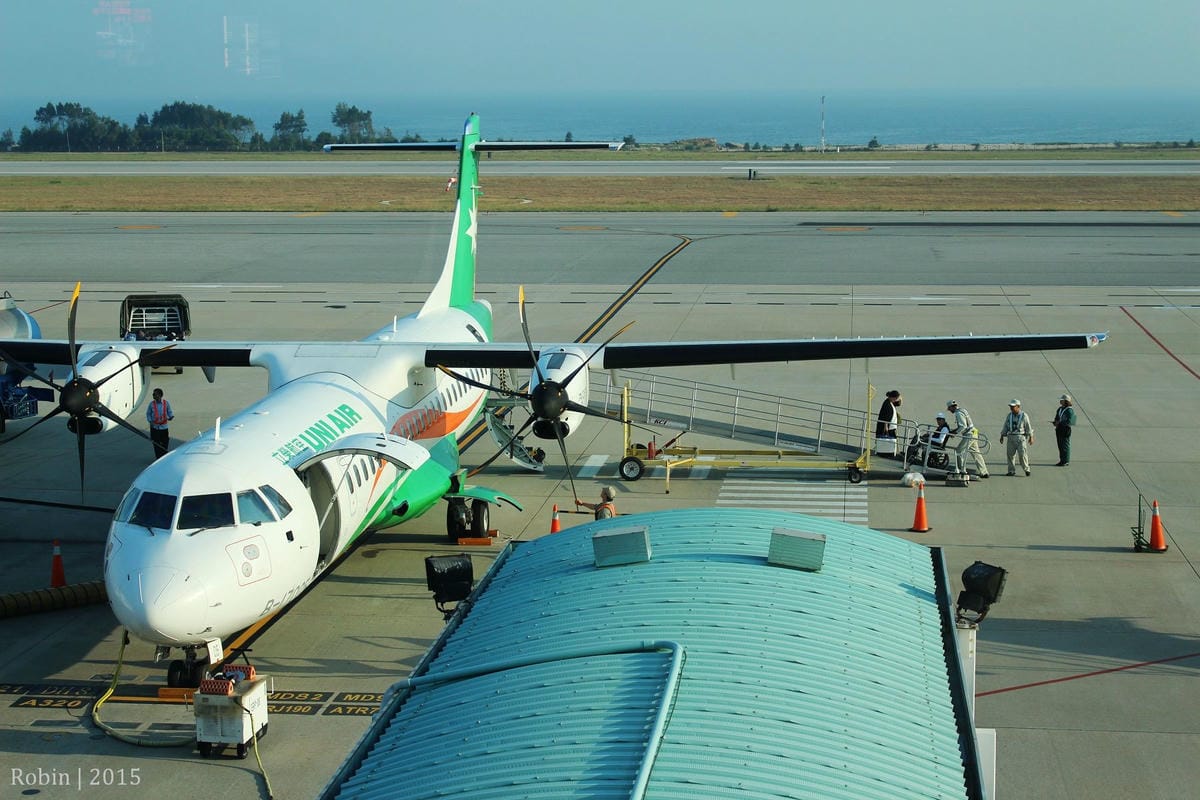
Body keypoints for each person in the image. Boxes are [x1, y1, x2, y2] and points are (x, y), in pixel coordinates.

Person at [945, 400, 990, 479]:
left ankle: (961, 470)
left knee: (959, 451)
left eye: (949, 409)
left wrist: (954, 433)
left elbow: (963, 426)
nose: (949, 411)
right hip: (974, 433)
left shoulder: (958, 413)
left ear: (952, 407)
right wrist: (954, 430)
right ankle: (984, 472)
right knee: (976, 454)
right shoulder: (962, 410)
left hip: (969, 435)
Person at [999, 399, 1034, 476]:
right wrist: (1002, 435)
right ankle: (1011, 470)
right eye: (1011, 406)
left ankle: (1026, 469)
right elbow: (1006, 426)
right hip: (1011, 437)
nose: (1011, 408)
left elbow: (1028, 426)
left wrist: (1031, 437)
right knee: (1010, 455)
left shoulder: (1024, 415)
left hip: (1020, 438)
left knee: (1022, 455)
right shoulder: (1009, 415)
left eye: (1013, 406)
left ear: (1018, 407)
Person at [146, 387, 174, 460]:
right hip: (155, 427)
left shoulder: (166, 403)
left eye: (155, 394)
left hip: (164, 427)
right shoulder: (151, 404)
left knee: (165, 442)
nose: (153, 395)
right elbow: (148, 414)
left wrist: (171, 416)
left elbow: (169, 411)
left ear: (160, 395)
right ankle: (158, 458)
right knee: (156, 444)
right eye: (153, 394)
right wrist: (150, 421)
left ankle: (163, 456)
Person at [1052, 394, 1076, 466]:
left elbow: (1071, 422)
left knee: (1065, 445)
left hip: (1065, 429)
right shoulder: (1060, 409)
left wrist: (1061, 422)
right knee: (1060, 445)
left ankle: (1066, 461)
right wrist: (1055, 422)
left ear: (1066, 401)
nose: (1060, 401)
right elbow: (1057, 417)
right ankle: (1062, 460)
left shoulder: (1070, 410)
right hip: (1059, 429)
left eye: (1062, 400)